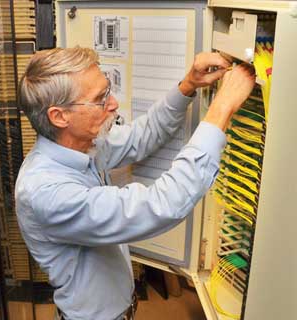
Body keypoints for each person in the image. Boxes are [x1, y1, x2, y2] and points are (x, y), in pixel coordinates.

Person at [15, 47, 255, 320]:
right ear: (59, 116)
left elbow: (141, 136)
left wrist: (188, 85)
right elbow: (161, 206)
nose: (113, 104)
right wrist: (222, 109)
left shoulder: (84, 145)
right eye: (100, 99)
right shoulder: (46, 193)